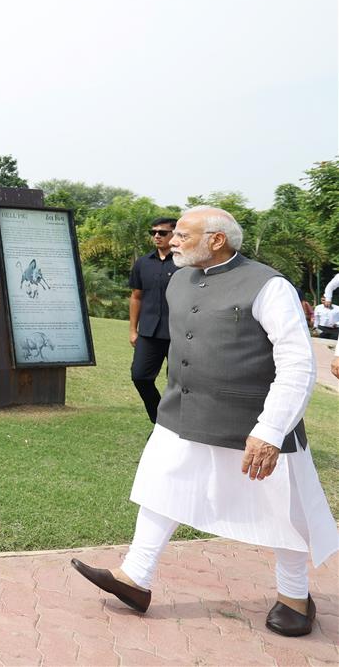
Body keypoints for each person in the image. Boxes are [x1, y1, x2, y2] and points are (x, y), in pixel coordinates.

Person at [71, 206, 338, 637]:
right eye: (172, 234)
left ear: (217, 240)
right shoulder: (178, 279)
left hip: (252, 420)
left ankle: (294, 596)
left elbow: (298, 363)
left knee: (282, 509)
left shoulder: (269, 287)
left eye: (182, 234)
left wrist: (270, 431)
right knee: (161, 488)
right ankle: (134, 578)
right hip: (182, 411)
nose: (172, 240)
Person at [128, 217, 178, 424]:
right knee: (139, 376)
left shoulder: (187, 264)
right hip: (149, 332)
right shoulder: (142, 263)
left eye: (162, 232)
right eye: (153, 232)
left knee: (176, 383)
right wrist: (133, 330)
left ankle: (175, 427)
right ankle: (160, 422)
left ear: (174, 234)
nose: (156, 236)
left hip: (179, 333)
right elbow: (136, 296)